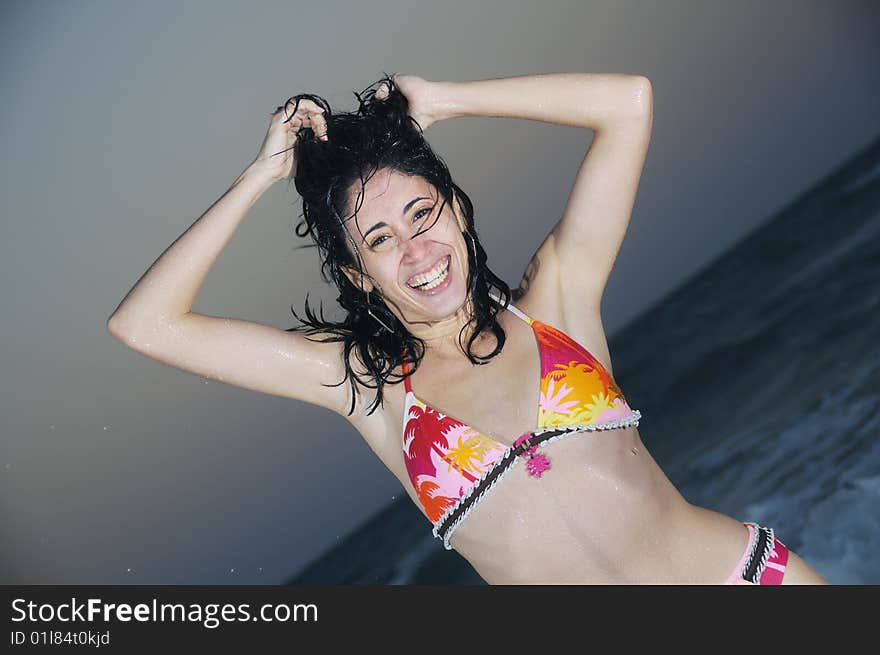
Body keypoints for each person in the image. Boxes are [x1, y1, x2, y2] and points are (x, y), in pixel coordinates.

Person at [107, 72, 828, 585]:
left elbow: (629, 103)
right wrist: (259, 176)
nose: (417, 251)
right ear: (359, 277)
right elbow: (146, 324)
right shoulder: (368, 390)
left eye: (423, 215)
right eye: (381, 240)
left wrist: (450, 100)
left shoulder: (556, 301)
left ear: (456, 207)